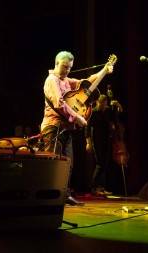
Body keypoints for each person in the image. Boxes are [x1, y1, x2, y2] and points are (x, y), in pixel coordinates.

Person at [40, 51, 113, 205]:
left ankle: (63, 195)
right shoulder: (52, 80)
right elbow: (59, 103)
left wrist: (104, 71)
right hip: (53, 127)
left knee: (67, 163)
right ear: (57, 63)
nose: (67, 70)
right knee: (53, 163)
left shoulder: (66, 80)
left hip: (65, 127)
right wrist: (77, 117)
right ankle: (48, 198)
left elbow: (86, 82)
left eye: (70, 68)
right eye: (65, 67)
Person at [86, 93, 123, 196]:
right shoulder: (93, 112)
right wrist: (88, 143)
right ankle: (93, 187)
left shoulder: (107, 111)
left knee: (105, 164)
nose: (103, 105)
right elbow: (87, 128)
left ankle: (101, 188)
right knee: (100, 163)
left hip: (107, 140)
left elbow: (118, 114)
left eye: (105, 103)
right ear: (98, 102)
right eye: (102, 103)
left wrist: (118, 105)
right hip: (97, 141)